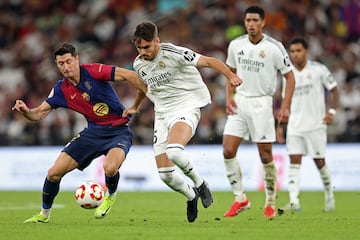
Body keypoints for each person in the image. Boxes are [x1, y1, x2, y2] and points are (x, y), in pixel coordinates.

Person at [13, 42, 147, 223]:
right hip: (92, 134)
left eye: (68, 61)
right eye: (61, 63)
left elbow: (130, 75)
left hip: (118, 132)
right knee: (53, 173)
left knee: (110, 167)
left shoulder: (94, 71)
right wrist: (26, 111)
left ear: (77, 59)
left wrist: (136, 105)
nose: (65, 67)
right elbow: (38, 114)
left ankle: (111, 195)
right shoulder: (61, 89)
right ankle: (44, 215)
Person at [126, 21, 242, 223]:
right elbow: (144, 85)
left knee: (175, 151)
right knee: (165, 175)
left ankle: (200, 183)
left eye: (147, 46)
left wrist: (230, 76)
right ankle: (191, 196)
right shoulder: (138, 64)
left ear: (157, 41)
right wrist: (135, 106)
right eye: (139, 47)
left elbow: (209, 61)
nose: (143, 51)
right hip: (162, 114)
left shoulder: (174, 53)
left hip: (186, 106)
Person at [221, 5, 295, 219]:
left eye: (255, 20)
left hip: (262, 103)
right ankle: (240, 198)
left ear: (263, 22)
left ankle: (270, 202)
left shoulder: (275, 47)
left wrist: (285, 106)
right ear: (244, 23)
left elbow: (290, 77)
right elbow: (230, 73)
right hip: (240, 101)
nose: (251, 24)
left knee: (265, 155)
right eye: (248, 20)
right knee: (227, 150)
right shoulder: (236, 45)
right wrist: (229, 98)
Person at [277, 37, 339, 213]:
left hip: (315, 125)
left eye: (299, 51)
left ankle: (329, 194)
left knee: (319, 162)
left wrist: (332, 112)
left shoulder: (319, 70)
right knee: (294, 161)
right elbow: (285, 102)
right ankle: (294, 201)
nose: (295, 54)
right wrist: (281, 126)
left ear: (306, 52)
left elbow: (334, 90)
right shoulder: (287, 75)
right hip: (295, 125)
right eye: (293, 51)